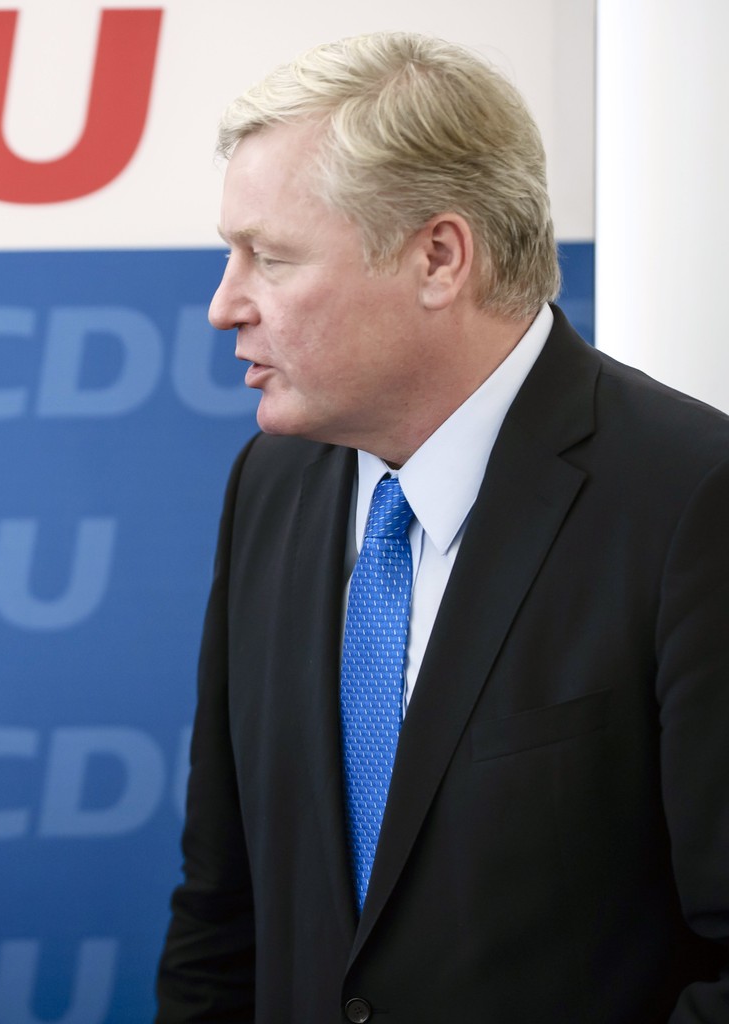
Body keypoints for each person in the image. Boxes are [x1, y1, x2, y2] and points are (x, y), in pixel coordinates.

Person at [156, 31, 729, 1023]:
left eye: (271, 258)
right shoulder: (270, 485)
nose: (223, 305)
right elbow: (223, 916)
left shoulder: (693, 502)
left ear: (438, 256)